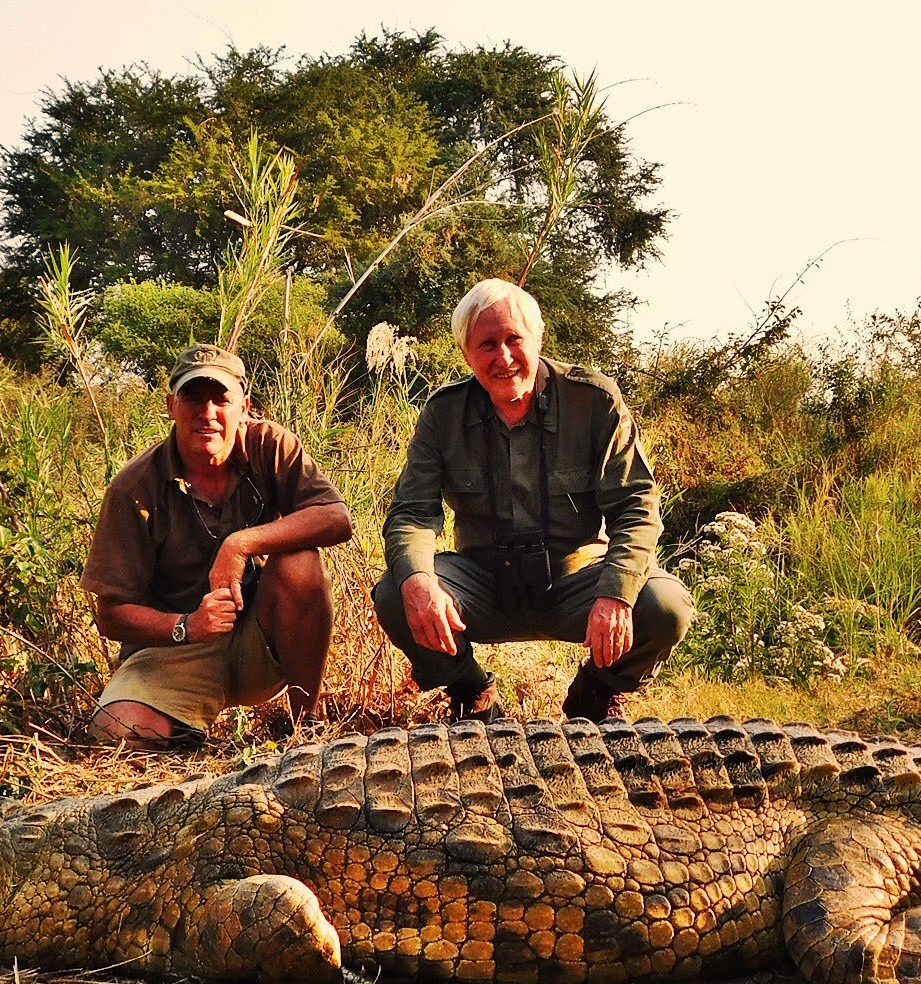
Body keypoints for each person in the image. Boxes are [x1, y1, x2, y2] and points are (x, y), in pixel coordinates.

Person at [373, 278, 692, 723]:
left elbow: (635, 505)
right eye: (486, 344)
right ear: (466, 353)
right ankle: (471, 692)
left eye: (513, 339)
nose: (503, 358)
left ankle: (596, 694)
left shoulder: (593, 400)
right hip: (483, 581)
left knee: (664, 606)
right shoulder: (443, 413)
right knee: (396, 590)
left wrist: (617, 594)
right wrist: (419, 582)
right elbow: (412, 513)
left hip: (575, 579)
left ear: (537, 340)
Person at [81, 343, 352, 750]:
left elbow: (336, 518)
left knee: (299, 560)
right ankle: (190, 737)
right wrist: (186, 626)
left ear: (244, 406)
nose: (207, 413)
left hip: (260, 637)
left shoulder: (270, 446)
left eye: (220, 398)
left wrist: (239, 544)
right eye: (193, 397)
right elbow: (111, 615)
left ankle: (307, 726)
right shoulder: (133, 487)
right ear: (171, 405)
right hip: (175, 649)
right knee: (118, 728)